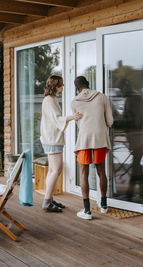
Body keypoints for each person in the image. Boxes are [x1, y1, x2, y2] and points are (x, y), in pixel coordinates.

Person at [71, 76, 114, 220]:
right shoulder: (102, 97)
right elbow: (110, 121)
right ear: (88, 85)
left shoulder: (74, 101)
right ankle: (103, 205)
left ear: (77, 88)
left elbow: (78, 124)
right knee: (101, 170)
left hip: (84, 139)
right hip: (100, 138)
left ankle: (87, 210)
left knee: (84, 173)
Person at [40, 75, 83, 212]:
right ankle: (47, 201)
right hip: (52, 139)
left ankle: (49, 199)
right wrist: (73, 117)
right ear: (55, 86)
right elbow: (56, 119)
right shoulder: (49, 100)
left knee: (53, 170)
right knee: (56, 169)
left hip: (51, 138)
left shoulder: (51, 99)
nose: (63, 86)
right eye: (61, 84)